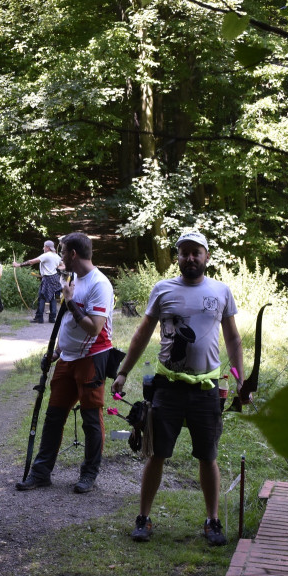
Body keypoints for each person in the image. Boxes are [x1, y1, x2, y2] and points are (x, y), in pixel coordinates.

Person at [110, 230, 245, 547]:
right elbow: (141, 334)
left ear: (207, 256)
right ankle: (143, 518)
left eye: (196, 252)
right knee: (156, 454)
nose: (190, 258)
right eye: (184, 252)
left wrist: (239, 378)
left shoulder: (221, 291)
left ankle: (212, 521)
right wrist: (123, 372)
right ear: (178, 257)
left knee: (207, 456)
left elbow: (234, 339)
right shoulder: (163, 289)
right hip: (167, 387)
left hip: (206, 388)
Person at [16, 232, 113, 495]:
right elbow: (70, 324)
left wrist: (70, 302)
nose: (59, 257)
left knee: (91, 418)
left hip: (92, 358)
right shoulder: (73, 279)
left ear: (73, 254)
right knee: (53, 417)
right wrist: (57, 351)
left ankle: (89, 475)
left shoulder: (99, 284)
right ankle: (40, 473)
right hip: (67, 359)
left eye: (62, 251)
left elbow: (94, 328)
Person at [13, 240, 63, 323]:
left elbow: (32, 262)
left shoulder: (46, 255)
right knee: (53, 298)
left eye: (44, 246)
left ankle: (39, 318)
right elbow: (62, 265)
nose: (43, 248)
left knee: (42, 297)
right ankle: (52, 318)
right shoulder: (57, 256)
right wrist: (55, 269)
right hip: (55, 278)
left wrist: (18, 265)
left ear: (47, 247)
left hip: (47, 278)